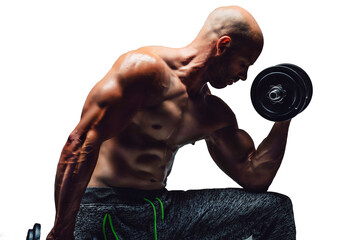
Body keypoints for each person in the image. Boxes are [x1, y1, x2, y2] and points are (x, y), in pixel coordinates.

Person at [47, 5, 296, 240]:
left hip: (159, 210)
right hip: (106, 207)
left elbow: (254, 176)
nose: (244, 77)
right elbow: (79, 142)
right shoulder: (145, 71)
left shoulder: (213, 113)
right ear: (223, 45)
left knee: (274, 210)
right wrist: (60, 232)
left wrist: (284, 114)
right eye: (244, 64)